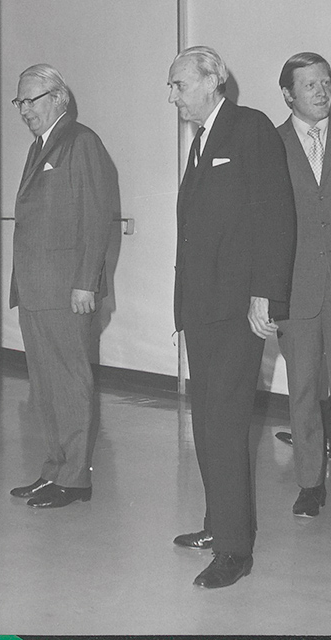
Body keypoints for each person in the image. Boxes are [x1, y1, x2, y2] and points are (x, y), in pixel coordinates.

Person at [168, 46, 296, 589]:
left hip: (238, 308)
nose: (171, 94)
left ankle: (235, 549)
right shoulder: (201, 142)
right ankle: (218, 522)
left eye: (177, 83)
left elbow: (275, 214)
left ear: (211, 80)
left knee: (222, 423)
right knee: (207, 422)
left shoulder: (251, 128)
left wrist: (265, 294)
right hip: (202, 306)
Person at [8, 63, 119, 509]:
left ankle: (75, 479)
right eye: (19, 102)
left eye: (29, 100)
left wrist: (85, 283)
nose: (23, 111)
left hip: (66, 290)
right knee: (45, 384)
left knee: (70, 383)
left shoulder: (81, 142)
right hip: (36, 288)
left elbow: (96, 217)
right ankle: (53, 468)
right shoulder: (41, 146)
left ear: (58, 98)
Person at [275, 52, 331, 518]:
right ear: (289, 94)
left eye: (325, 82)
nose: (321, 91)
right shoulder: (270, 146)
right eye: (310, 84)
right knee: (304, 391)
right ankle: (311, 484)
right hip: (297, 291)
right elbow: (261, 226)